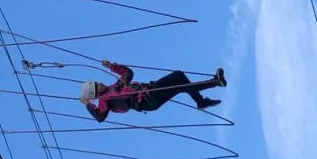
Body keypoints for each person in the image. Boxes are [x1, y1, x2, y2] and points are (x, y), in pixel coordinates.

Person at [78, 60, 227, 122]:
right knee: (179, 84)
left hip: (150, 90)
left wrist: (112, 66)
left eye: (97, 83)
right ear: (95, 94)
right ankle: (214, 84)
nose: (100, 84)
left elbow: (128, 73)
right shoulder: (104, 100)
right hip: (147, 100)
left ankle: (202, 100)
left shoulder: (113, 87)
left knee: (179, 76)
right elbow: (100, 116)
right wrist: (87, 104)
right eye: (96, 87)